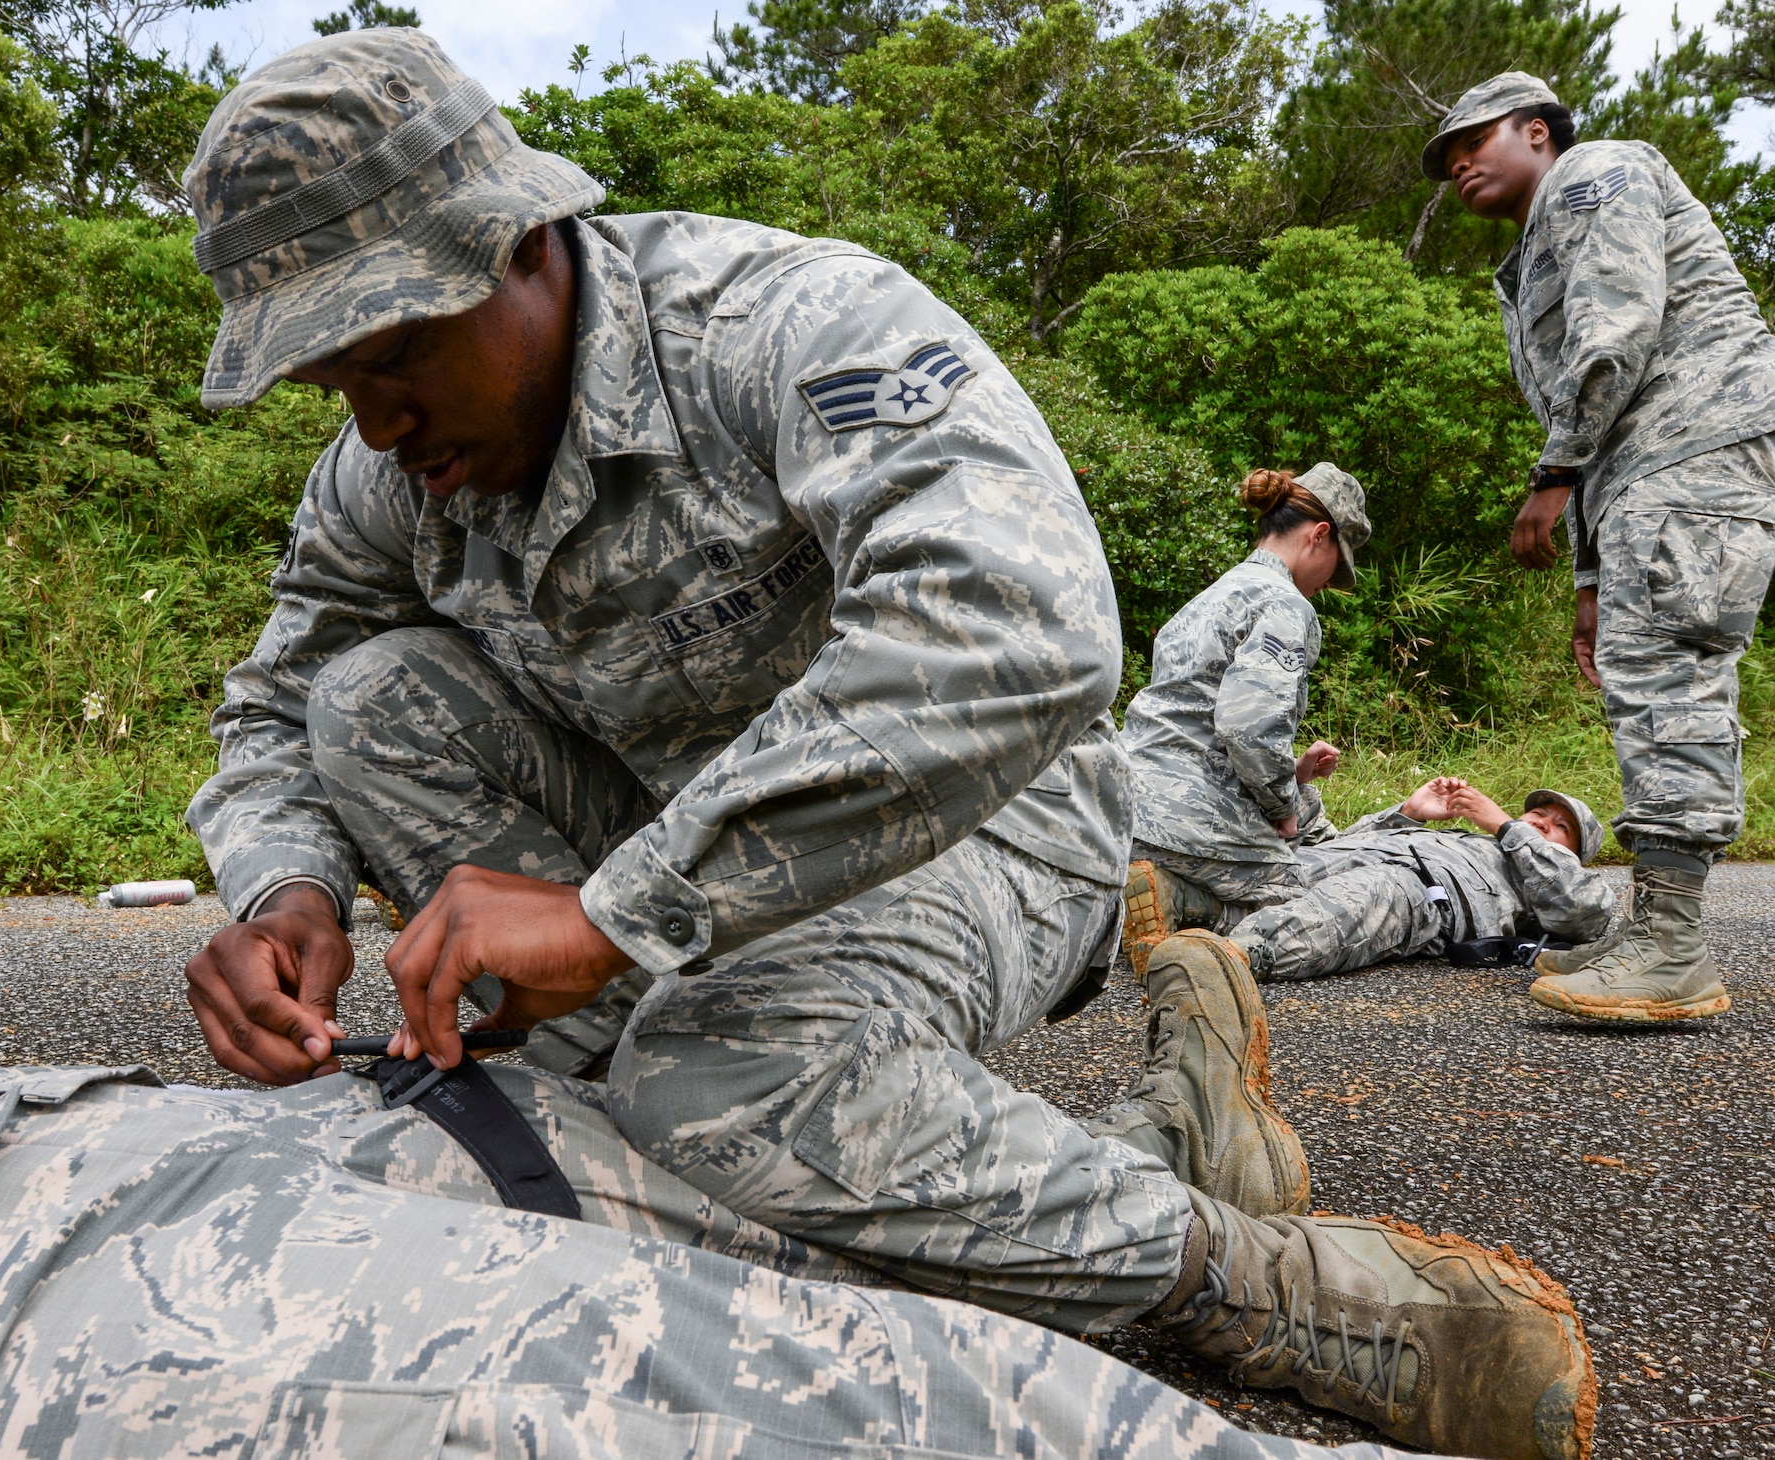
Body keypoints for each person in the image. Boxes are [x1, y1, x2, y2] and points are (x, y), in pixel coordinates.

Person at [173, 32, 1593, 1454]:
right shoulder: (386, 473)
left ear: (525, 238)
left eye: (397, 349)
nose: (371, 419)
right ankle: (1145, 1144)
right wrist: (285, 889)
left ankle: (1254, 1282)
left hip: (988, 825)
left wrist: (617, 915)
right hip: (695, 869)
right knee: (374, 707)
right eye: (324, 381)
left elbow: (1015, 630)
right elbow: (282, 699)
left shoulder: (785, 325)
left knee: (704, 1084)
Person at [0, 1058, 1480, 1460]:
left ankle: (1137, 1180)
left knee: (671, 1156)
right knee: (825, 1391)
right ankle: (1200, 1255)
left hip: (43, 1134)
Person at [1427, 73, 1775, 1023]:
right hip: (1656, 466)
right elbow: (1610, 413)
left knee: (1667, 673)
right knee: (1645, 658)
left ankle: (1673, 945)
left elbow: (1616, 333)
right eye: (1446, 165)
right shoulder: (1540, 233)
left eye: (1472, 143)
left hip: (1696, 437)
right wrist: (1592, 580)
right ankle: (1658, 925)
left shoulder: (1590, 174)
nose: (1457, 168)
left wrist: (1551, 474)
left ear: (1537, 131)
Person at [1119, 466, 1370, 974]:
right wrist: (1283, 805)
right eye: (1335, 566)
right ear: (1319, 535)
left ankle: (1151, 882)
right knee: (1309, 901)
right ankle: (1180, 897)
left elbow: (1199, 719)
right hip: (1192, 821)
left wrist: (1291, 773)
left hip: (1126, 806)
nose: (1327, 584)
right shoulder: (1284, 603)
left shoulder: (1213, 595)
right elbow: (1247, 725)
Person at [1228, 778, 1617, 985]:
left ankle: (1230, 956)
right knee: (1280, 868)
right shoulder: (1473, 838)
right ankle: (1177, 909)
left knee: (1370, 895)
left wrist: (1508, 827)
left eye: (1560, 827)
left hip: (1419, 891)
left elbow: (1583, 912)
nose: (1543, 821)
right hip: (1361, 859)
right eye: (1539, 812)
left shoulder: (1564, 877)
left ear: (1576, 853)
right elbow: (1344, 844)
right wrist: (1408, 814)